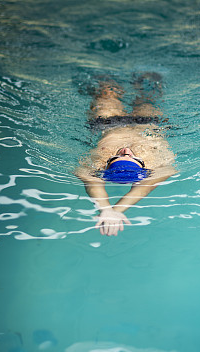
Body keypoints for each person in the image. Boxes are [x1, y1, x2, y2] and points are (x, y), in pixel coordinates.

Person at [75, 73, 176, 236]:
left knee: (107, 90)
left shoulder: (98, 162)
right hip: (147, 123)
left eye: (118, 155)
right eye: (132, 156)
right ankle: (146, 74)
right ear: (143, 165)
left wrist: (106, 209)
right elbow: (146, 186)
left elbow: (89, 178)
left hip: (109, 123)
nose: (126, 150)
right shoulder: (156, 163)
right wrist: (119, 209)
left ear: (106, 163)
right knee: (148, 93)